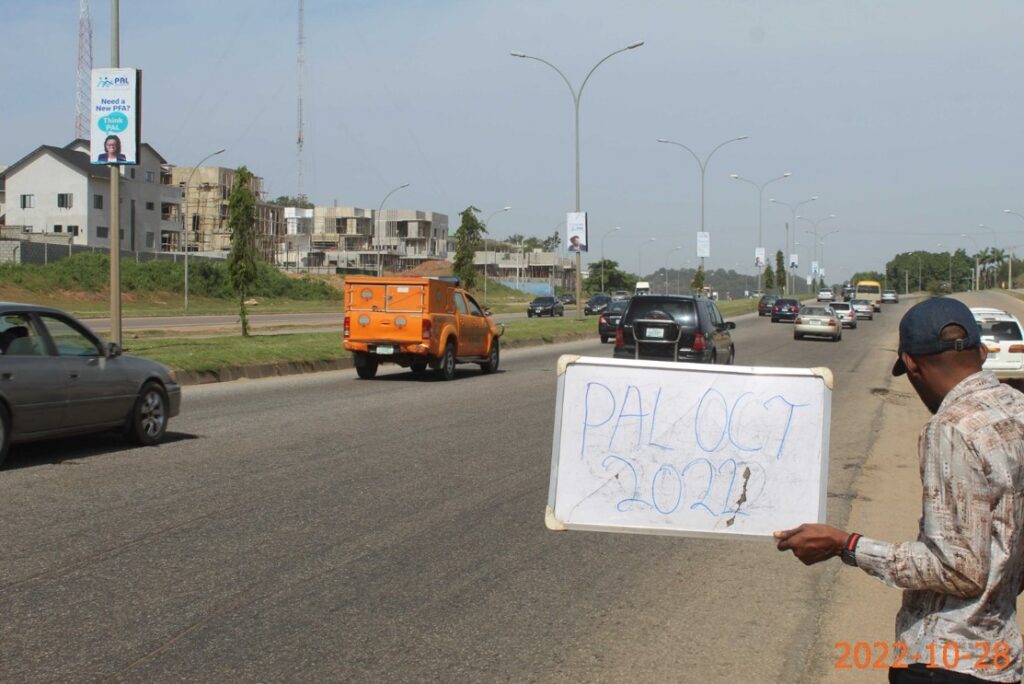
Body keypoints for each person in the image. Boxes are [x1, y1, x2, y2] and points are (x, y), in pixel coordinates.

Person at [775, 297, 1024, 684]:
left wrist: (847, 545)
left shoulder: (951, 428)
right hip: (999, 657)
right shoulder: (1016, 408)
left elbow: (958, 569)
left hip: (948, 661)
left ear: (910, 364)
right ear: (981, 351)